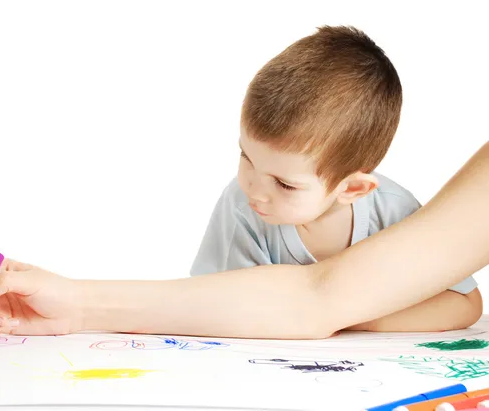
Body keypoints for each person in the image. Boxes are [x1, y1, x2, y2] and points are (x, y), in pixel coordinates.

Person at [189, 25, 480, 332]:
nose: (255, 191)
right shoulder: (241, 207)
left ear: (352, 188)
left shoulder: (395, 213)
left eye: (285, 184)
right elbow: (216, 306)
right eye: (246, 158)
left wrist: (341, 316)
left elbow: (464, 304)